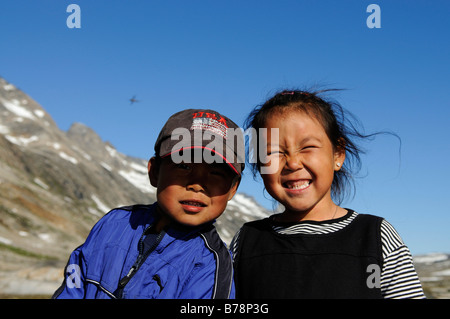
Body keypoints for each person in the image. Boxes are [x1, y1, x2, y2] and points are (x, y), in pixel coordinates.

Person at [231, 89, 425, 299]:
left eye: (307, 147)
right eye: (273, 152)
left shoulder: (376, 237)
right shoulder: (246, 241)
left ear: (337, 154)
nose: (293, 163)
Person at [53, 108, 245, 299]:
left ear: (232, 188)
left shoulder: (212, 265)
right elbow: (73, 287)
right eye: (184, 166)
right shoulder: (114, 223)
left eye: (217, 173)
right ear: (154, 172)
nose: (197, 184)